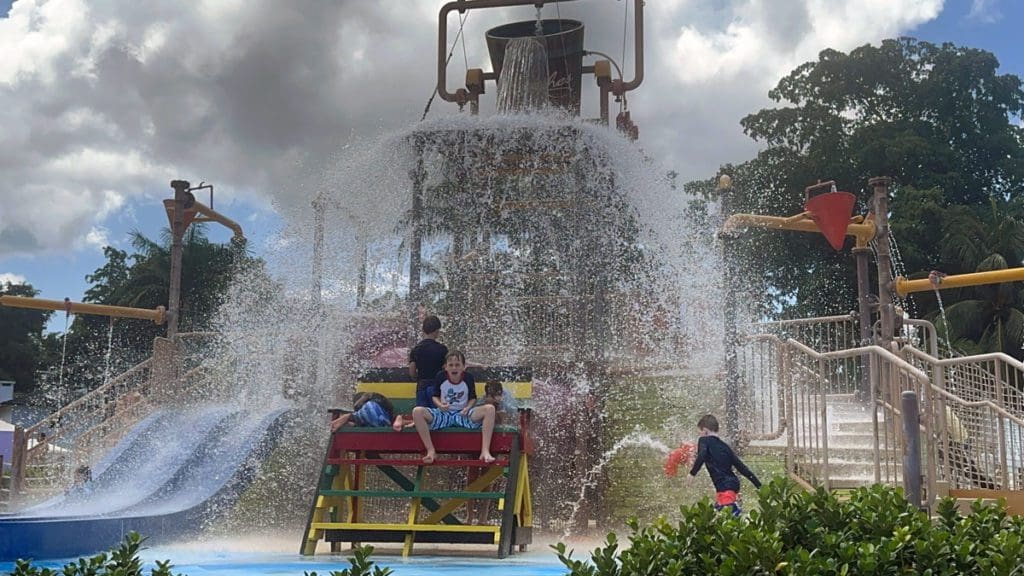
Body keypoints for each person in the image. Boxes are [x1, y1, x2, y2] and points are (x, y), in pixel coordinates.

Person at [411, 351, 496, 464]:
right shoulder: (440, 376)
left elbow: (473, 398)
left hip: (463, 414)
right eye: (451, 365)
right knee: (417, 411)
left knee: (490, 408)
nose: (454, 368)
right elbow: (435, 397)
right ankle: (431, 450)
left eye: (457, 365)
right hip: (444, 414)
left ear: (464, 367)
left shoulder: (468, 378)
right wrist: (440, 405)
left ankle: (485, 451)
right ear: (445, 367)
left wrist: (467, 407)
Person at [687, 414, 761, 516]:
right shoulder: (725, 447)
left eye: (699, 432)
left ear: (705, 431)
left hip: (725, 487)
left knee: (728, 519)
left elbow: (702, 454)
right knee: (717, 515)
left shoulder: (704, 440)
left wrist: (692, 473)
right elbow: (743, 469)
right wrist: (760, 487)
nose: (699, 435)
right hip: (731, 485)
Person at [408, 315, 448, 409]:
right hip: (436, 385)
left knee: (421, 413)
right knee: (435, 414)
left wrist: (417, 378)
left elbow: (412, 372)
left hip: (421, 385)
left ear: (423, 330)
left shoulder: (416, 349)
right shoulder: (442, 349)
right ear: (437, 331)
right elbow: (446, 368)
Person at [330, 392, 402, 432]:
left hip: (373, 409)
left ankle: (337, 423)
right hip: (383, 420)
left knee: (352, 417)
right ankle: (342, 421)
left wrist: (357, 403)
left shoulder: (370, 397)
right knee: (356, 418)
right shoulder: (382, 400)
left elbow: (367, 395)